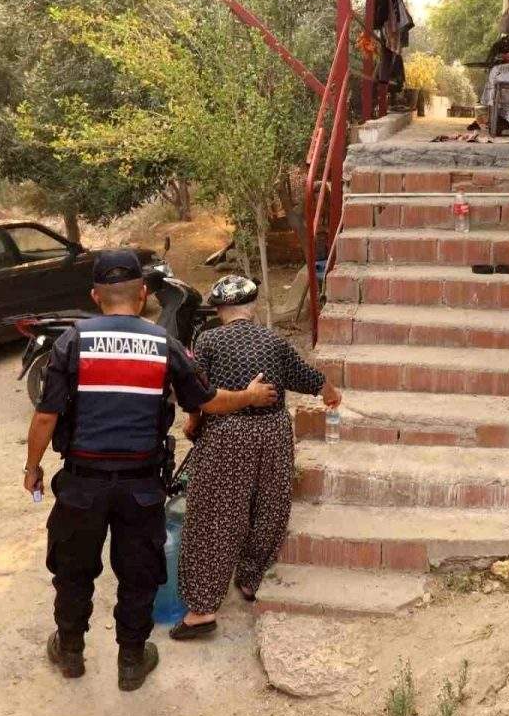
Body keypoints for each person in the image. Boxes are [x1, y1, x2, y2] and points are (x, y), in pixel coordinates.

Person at [23, 251, 278, 692]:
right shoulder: (164, 344)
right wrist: (250, 397)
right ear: (143, 295)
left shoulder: (72, 342)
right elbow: (207, 401)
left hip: (82, 484)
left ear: (95, 296)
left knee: (73, 571)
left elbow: (46, 416)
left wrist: (32, 468)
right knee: (138, 574)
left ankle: (70, 652)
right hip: (140, 486)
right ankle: (131, 661)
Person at [170, 275, 341, 641]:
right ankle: (249, 579)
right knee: (270, 506)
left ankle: (202, 610)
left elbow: (199, 392)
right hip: (274, 433)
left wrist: (193, 423)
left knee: (215, 515)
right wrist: (330, 392)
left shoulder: (208, 340)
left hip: (227, 433)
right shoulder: (274, 341)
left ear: (219, 310)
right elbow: (308, 377)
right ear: (253, 307)